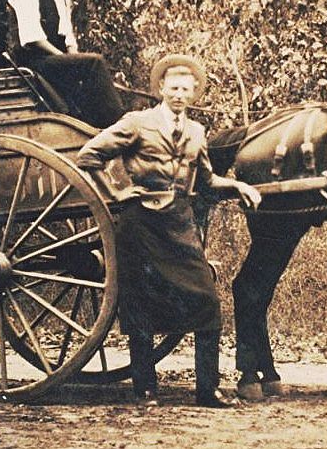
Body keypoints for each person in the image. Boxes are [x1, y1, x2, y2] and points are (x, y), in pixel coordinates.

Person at [76, 54, 262, 408]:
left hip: (179, 223)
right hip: (140, 224)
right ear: (161, 88)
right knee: (142, 306)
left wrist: (238, 187)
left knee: (207, 302)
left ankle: (207, 391)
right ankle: (145, 390)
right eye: (173, 87)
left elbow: (205, 181)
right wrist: (115, 192)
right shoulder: (136, 123)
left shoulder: (196, 132)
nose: (179, 94)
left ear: (192, 94)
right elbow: (89, 156)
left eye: (185, 89)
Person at [7, 0, 124, 128]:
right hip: (34, 62)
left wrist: (72, 55)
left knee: (90, 70)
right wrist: (65, 59)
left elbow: (67, 35)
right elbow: (33, 37)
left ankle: (92, 126)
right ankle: (118, 123)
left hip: (53, 60)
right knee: (94, 63)